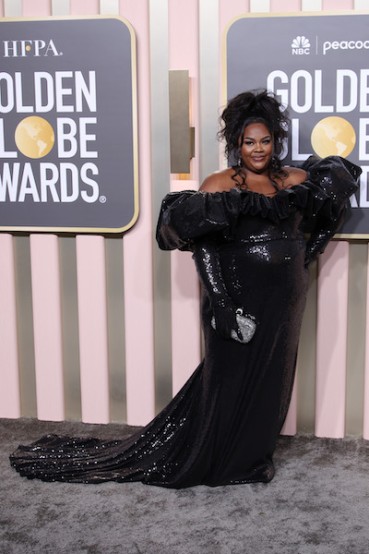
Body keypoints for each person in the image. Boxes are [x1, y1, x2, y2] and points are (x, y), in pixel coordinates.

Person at [10, 90, 360, 488]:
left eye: (265, 141)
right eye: (249, 142)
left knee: (273, 381)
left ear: (275, 141)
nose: (257, 149)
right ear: (236, 144)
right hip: (237, 297)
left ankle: (254, 459)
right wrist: (222, 305)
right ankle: (223, 461)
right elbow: (204, 247)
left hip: (286, 300)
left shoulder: (297, 181)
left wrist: (304, 257)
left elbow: (334, 209)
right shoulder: (218, 184)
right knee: (228, 380)